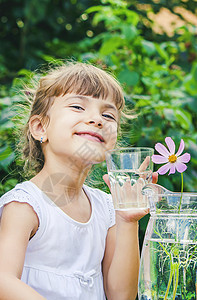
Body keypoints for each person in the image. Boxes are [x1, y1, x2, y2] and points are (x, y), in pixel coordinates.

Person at [0, 62, 157, 300]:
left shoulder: (106, 207)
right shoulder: (26, 206)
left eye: (108, 114)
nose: (97, 119)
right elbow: (4, 280)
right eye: (77, 106)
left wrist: (127, 220)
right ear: (40, 127)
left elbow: (121, 295)